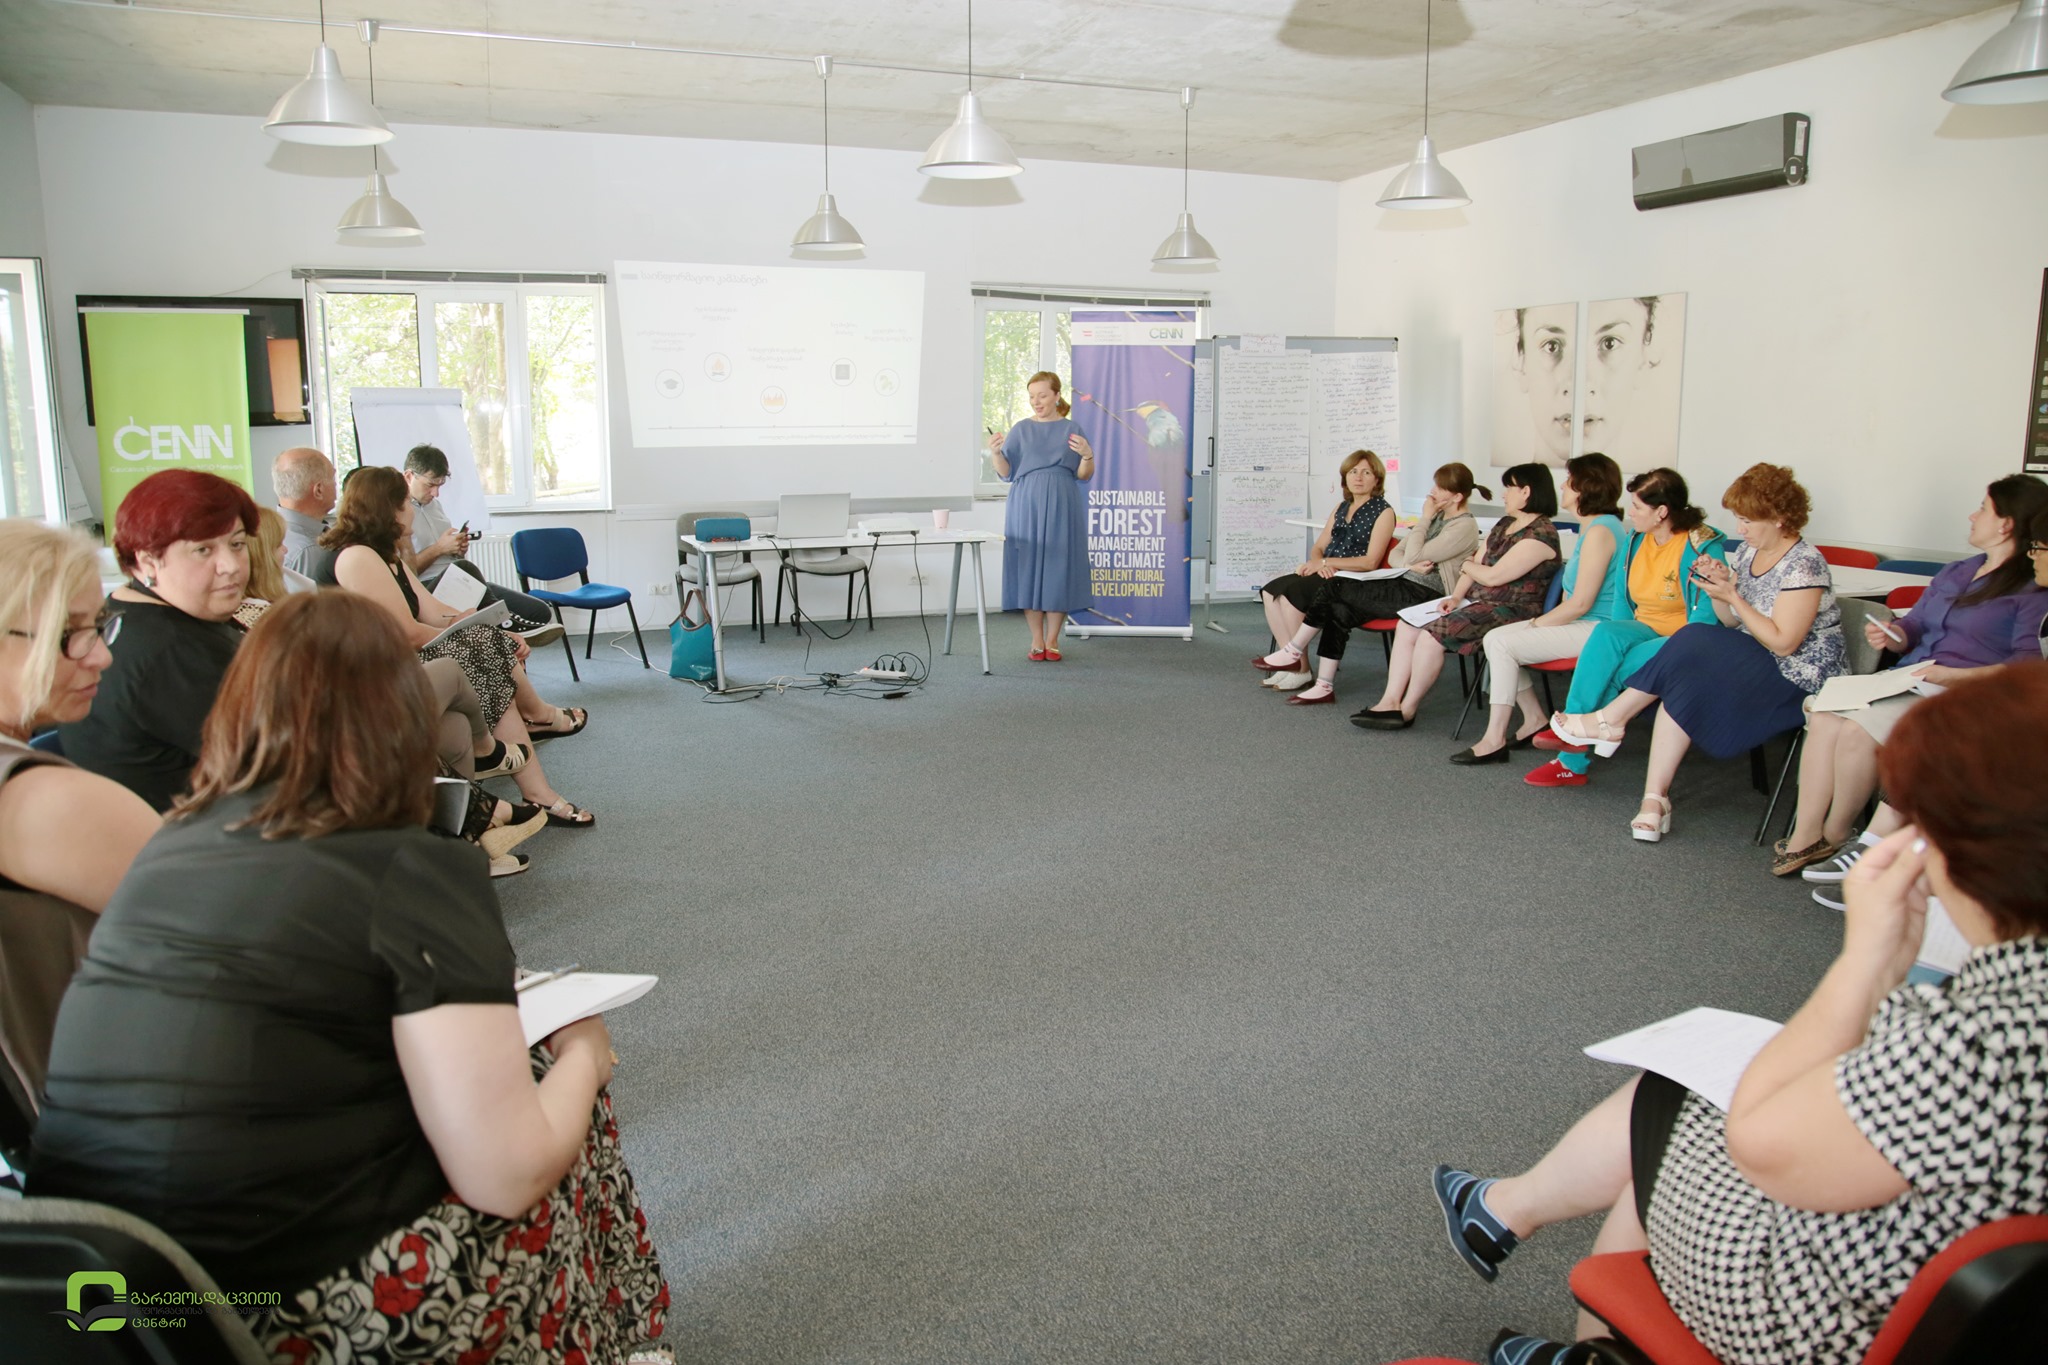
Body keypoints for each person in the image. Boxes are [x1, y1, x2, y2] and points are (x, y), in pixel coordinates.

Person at [29, 592, 670, 1360]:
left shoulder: (168, 843)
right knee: (554, 1090)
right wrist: (586, 1052)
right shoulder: (414, 867)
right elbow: (508, 1174)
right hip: (277, 1305)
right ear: (399, 717)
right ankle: (609, 1340)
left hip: (95, 1291)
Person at [1427, 665, 2048, 1365]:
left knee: (1673, 1106)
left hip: (1831, 1321)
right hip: (1958, 1297)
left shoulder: (1991, 1039)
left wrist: (1865, 962)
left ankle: (1546, 1273)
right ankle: (1514, 1230)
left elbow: (1760, 1145)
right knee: (1672, 1129)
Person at [1554, 463, 1845, 841]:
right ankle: (1653, 800)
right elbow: (1728, 621)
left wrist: (1733, 596)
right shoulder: (1748, 552)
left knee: (1691, 641)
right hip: (1755, 656)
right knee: (1683, 671)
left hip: (1797, 673)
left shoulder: (1804, 564)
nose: (1739, 529)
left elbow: (1784, 643)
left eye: (1747, 520)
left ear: (1779, 518)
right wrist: (1716, 588)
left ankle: (1612, 720)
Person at [1778, 476, 2048, 879]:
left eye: (1983, 508)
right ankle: (1807, 834)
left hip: (1958, 691)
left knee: (1855, 730)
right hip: (1910, 677)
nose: (1972, 516)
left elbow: (2028, 667)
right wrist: (1895, 635)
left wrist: (1954, 677)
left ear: (2006, 524)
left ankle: (1836, 834)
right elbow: (1916, 625)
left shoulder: (2031, 589)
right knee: (1825, 716)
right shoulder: (1958, 571)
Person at [322, 466, 596, 828]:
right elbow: (407, 633)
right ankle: (538, 731)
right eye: (406, 503)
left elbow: (433, 612)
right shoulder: (357, 557)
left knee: (486, 641)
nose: (412, 510)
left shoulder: (386, 557)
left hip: (402, 656)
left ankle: (537, 780)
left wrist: (479, 623)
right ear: (390, 509)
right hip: (376, 671)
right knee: (482, 647)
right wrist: (476, 631)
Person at [0, 521, 160, 1103]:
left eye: (98, 626)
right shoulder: (40, 800)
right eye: (68, 635)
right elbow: (239, 941)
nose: (101, 656)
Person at [59, 469, 253, 812]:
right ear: (148, 561)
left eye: (237, 544)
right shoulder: (175, 652)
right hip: (183, 832)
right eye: (203, 550)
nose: (230, 566)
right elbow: (287, 763)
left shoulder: (123, 609)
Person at [1523, 468, 1728, 788]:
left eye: (1637, 506)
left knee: (1616, 669)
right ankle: (1577, 728)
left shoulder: (1702, 544)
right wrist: (1623, 632)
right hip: (1643, 627)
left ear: (1661, 512)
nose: (1629, 513)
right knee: (1606, 634)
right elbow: (1622, 600)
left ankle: (1571, 756)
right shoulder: (1636, 540)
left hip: (1685, 638)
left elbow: (1705, 618)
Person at [1253, 462, 1486, 701]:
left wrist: (1424, 521)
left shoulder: (1463, 526)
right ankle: (1324, 686)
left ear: (1457, 496)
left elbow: (1414, 554)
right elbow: (1398, 554)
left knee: (1334, 586)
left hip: (1427, 593)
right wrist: (1409, 564)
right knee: (1338, 608)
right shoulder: (1437, 518)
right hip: (1404, 581)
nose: (1432, 492)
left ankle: (1293, 651)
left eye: (1440, 488)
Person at [1346, 463, 1561, 722]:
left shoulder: (1541, 534)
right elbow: (1474, 566)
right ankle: (1389, 701)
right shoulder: (1505, 524)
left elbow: (1492, 576)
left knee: (1430, 637)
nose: (1504, 494)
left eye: (1509, 488)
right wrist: (1456, 597)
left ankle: (1407, 709)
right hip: (1477, 600)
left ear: (1526, 492)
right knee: (1407, 625)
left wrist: (1469, 566)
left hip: (1511, 610)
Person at [1457, 455, 1628, 762]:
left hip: (1597, 628)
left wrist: (1537, 625)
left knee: (1503, 643)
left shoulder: (1600, 531)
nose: (1562, 486)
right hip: (1584, 623)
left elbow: (1581, 603)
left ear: (1585, 487)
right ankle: (1534, 719)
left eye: (1569, 481)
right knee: (1494, 638)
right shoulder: (1596, 527)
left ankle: (1494, 739)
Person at [1255, 449, 1395, 690]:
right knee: (1270, 591)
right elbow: (1318, 547)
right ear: (1345, 477)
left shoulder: (1384, 511)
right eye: (1353, 472)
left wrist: (1326, 563)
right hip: (1328, 571)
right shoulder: (1342, 507)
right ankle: (1290, 664)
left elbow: (1370, 562)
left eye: (1366, 473)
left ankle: (1301, 669)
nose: (1358, 477)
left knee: (1291, 596)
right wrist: (1318, 563)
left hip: (1354, 578)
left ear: (1377, 479)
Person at [401, 443, 561, 643]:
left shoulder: (436, 506)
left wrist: (456, 549)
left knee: (537, 611)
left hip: (458, 580)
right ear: (409, 476)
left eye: (440, 485)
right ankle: (506, 627)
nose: (436, 493)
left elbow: (447, 553)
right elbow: (404, 574)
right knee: (465, 568)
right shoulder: (397, 513)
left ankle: (508, 634)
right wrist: (438, 549)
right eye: (430, 485)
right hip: (427, 588)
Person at [990, 370, 1095, 661]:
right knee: (1029, 569)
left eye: (1042, 396)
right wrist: (996, 453)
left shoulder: (1072, 428)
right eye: (1032, 397)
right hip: (1026, 505)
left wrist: (1088, 455)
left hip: (1063, 503)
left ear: (1057, 396)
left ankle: (1053, 639)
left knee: (1058, 569)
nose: (1036, 402)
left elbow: (1084, 475)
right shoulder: (1021, 429)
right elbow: (1007, 473)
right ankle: (1037, 639)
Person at [272, 445, 337, 579]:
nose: (336, 485)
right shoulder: (308, 552)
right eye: (332, 478)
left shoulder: (268, 534)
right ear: (319, 490)